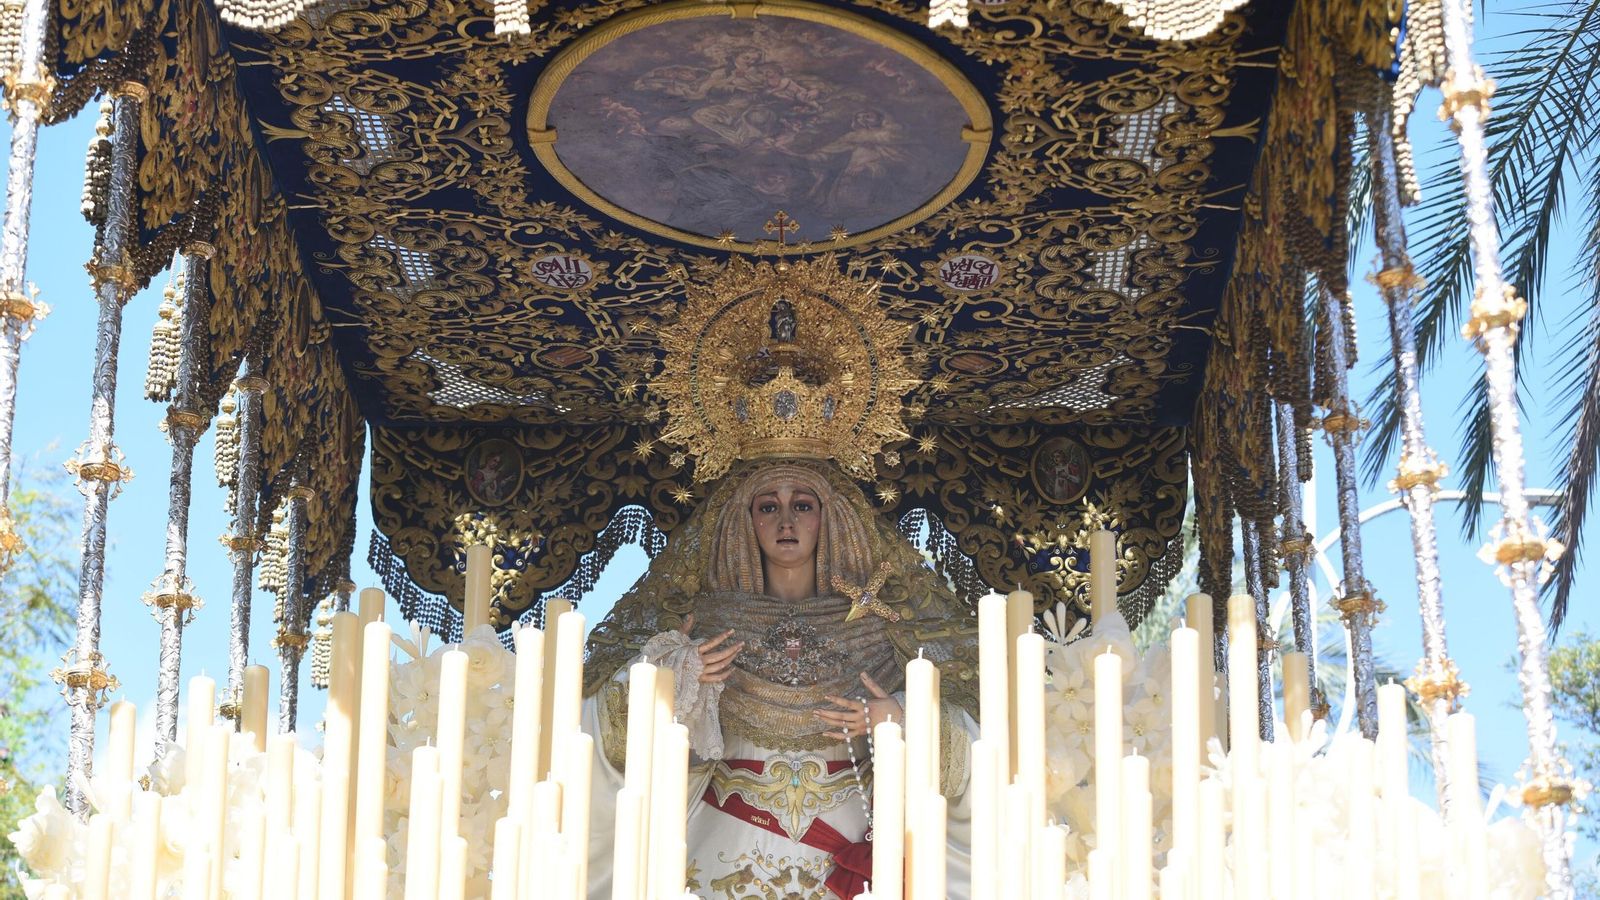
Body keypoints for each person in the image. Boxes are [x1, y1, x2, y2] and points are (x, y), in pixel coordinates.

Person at [579, 458, 981, 899]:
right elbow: (605, 730)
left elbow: (974, 736)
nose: (786, 522)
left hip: (851, 855)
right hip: (723, 845)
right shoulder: (707, 626)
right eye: (768, 507)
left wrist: (900, 716)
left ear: (830, 518)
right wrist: (672, 681)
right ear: (744, 521)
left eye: (803, 506)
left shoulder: (882, 630)